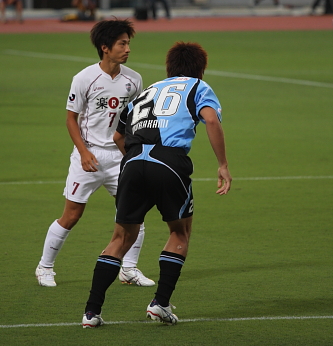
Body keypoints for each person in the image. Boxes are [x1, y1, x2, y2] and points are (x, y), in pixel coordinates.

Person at [81, 41, 232, 328]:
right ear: (200, 68)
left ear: (169, 67)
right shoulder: (198, 87)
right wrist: (223, 165)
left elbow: (118, 136)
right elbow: (210, 120)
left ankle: (91, 312)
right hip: (169, 163)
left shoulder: (149, 89)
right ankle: (160, 304)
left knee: (120, 238)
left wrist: (138, 164)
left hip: (133, 162)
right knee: (180, 233)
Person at [35, 18, 155, 288]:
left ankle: (129, 269)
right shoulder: (84, 78)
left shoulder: (134, 80)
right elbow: (70, 119)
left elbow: (133, 121)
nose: (127, 49)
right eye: (122, 43)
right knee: (72, 215)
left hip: (120, 158)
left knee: (134, 213)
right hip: (87, 156)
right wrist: (84, 152)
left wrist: (133, 154)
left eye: (128, 43)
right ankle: (45, 267)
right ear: (105, 47)